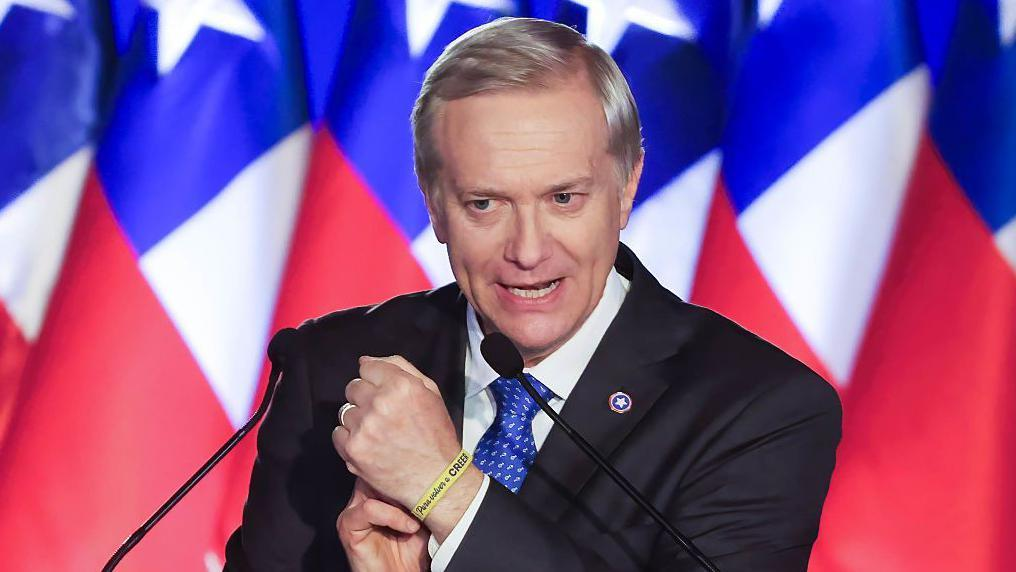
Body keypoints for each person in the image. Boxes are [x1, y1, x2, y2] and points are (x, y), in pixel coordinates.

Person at [224, 17, 841, 571]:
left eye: (563, 199)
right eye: (484, 204)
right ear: (434, 203)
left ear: (627, 187)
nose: (527, 250)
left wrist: (449, 492)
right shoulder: (333, 372)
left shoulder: (757, 409)